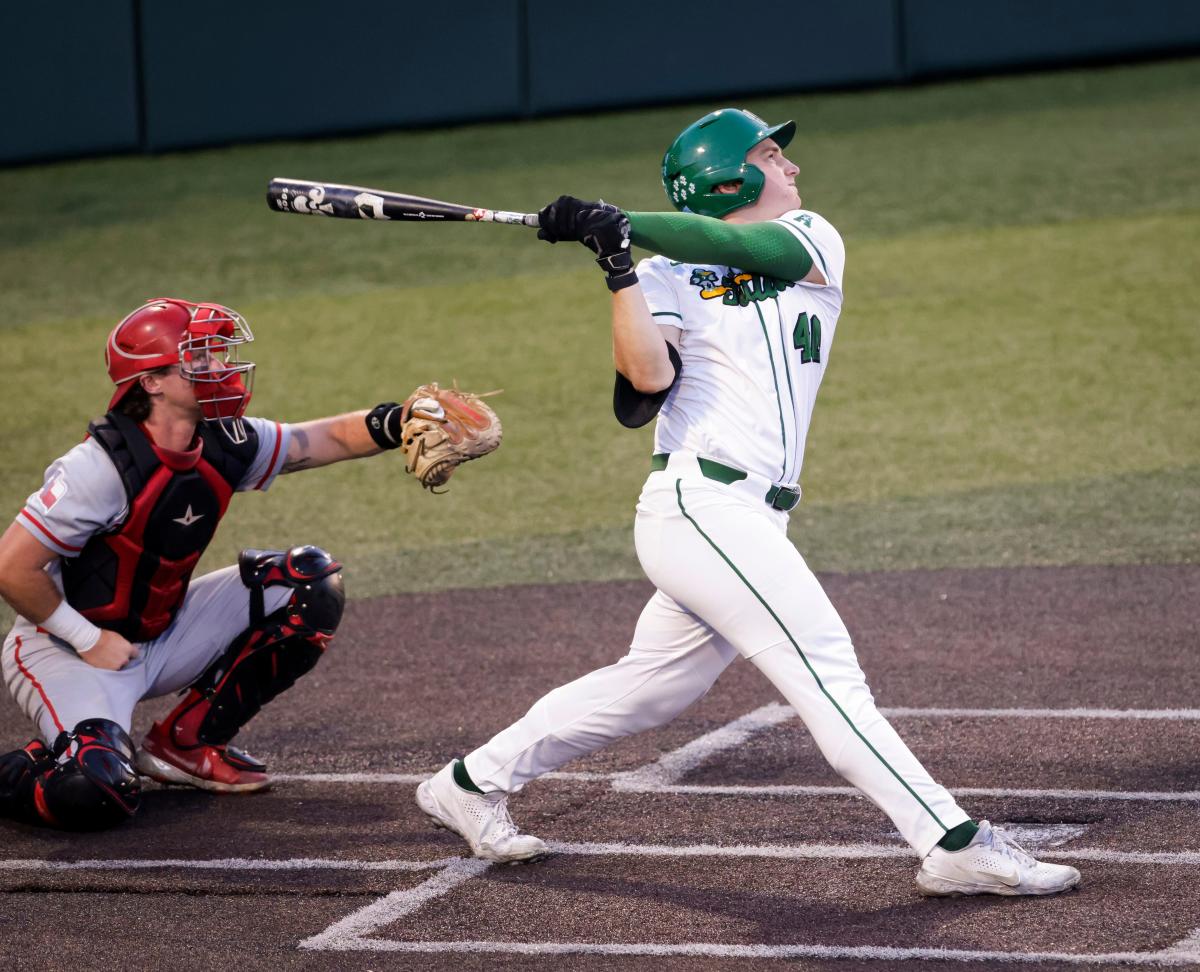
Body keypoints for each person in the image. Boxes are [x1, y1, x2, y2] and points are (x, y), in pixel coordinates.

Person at [415, 109, 1082, 897]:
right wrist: (620, 267)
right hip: (699, 505)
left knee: (653, 686)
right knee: (826, 671)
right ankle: (950, 841)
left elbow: (734, 246)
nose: (791, 165)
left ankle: (466, 781)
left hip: (754, 515)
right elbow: (645, 388)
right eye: (772, 154)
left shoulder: (810, 239)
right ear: (729, 178)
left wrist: (626, 223)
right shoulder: (661, 275)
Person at [0, 298, 445, 830]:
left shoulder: (224, 440)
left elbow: (319, 439)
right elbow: (12, 567)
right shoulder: (98, 469)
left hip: (165, 632)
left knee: (309, 582)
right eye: (200, 357)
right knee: (96, 790)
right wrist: (87, 639)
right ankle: (47, 761)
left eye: (217, 352)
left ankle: (186, 745)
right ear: (151, 382)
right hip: (67, 649)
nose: (220, 367)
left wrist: (398, 421)